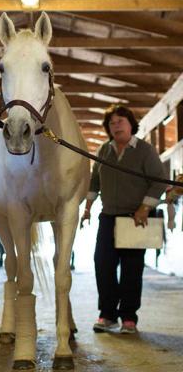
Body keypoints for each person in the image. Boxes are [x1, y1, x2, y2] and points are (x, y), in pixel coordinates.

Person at [81, 104, 166, 334]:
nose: (115, 125)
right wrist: (87, 208)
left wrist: (144, 208)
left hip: (135, 218)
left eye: (121, 121)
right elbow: (95, 181)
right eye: (111, 122)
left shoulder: (144, 151)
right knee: (103, 264)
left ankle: (129, 318)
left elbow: (160, 181)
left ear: (131, 125)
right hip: (107, 217)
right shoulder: (103, 150)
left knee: (131, 268)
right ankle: (107, 315)